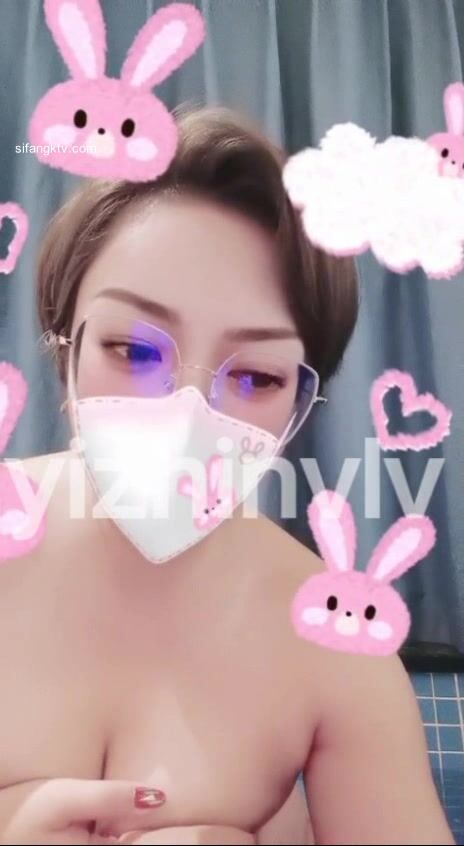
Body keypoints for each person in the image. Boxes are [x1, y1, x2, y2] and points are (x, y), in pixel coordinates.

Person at [0, 107, 454, 846]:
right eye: (133, 349)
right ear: (65, 344)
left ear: (301, 402)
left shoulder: (334, 638)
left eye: (255, 376)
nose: (185, 415)